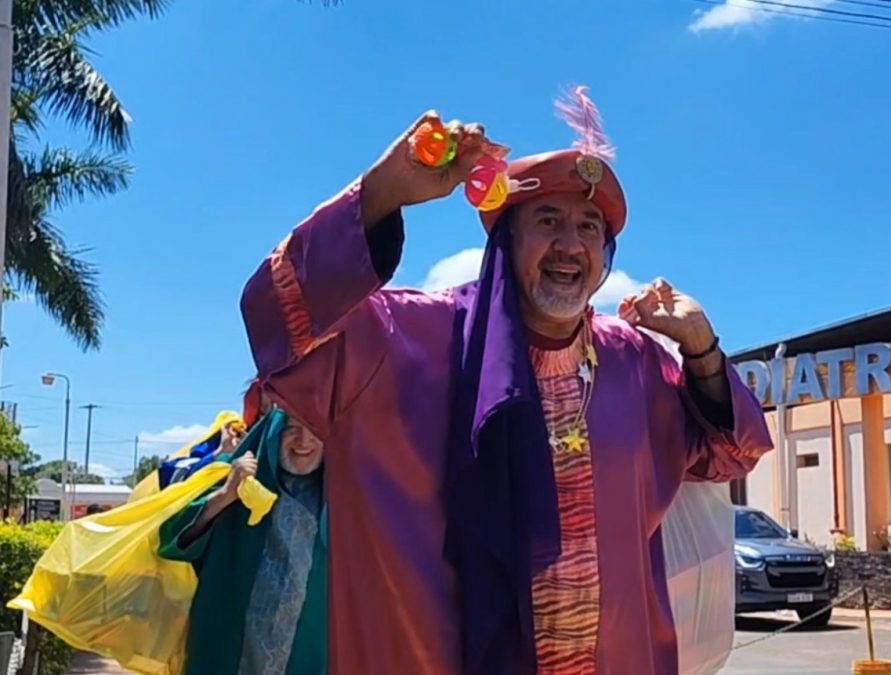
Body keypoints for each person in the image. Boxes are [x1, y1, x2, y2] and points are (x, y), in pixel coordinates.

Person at [240, 87, 773, 675]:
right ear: (506, 241)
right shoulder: (405, 335)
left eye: (590, 228)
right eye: (548, 220)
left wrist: (700, 347)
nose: (570, 243)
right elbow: (278, 315)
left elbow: (731, 454)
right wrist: (385, 192)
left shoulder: (636, 362)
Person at [158, 408, 327, 675]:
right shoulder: (238, 479)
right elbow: (172, 539)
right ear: (272, 435)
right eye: (291, 429)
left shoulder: (343, 497)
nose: (303, 440)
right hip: (229, 651)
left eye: (314, 428)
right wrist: (226, 495)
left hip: (307, 653)